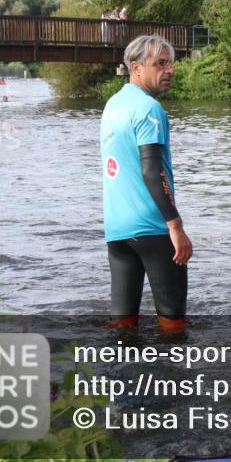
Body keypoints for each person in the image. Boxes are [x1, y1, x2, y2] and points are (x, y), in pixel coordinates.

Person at [100, 34, 193, 333]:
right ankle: (172, 378)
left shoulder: (112, 106)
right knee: (172, 321)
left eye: (171, 64)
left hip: (117, 229)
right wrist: (175, 226)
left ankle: (119, 377)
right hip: (152, 227)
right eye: (161, 64)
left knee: (122, 322)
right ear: (137, 67)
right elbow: (152, 171)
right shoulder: (149, 109)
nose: (169, 70)